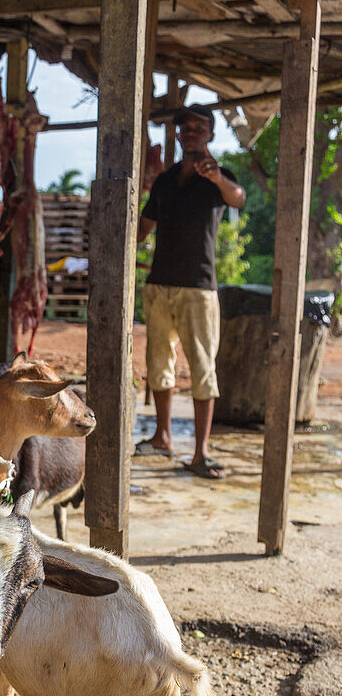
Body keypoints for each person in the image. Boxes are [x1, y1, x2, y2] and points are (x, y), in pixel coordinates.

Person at [136, 103, 246, 479]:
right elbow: (145, 225)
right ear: (178, 135)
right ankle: (162, 437)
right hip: (159, 285)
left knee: (202, 369)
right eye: (186, 128)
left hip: (199, 287)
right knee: (157, 364)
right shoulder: (166, 181)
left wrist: (217, 178)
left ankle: (201, 452)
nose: (192, 133)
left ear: (211, 135)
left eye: (200, 128)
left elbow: (239, 198)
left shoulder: (219, 178)